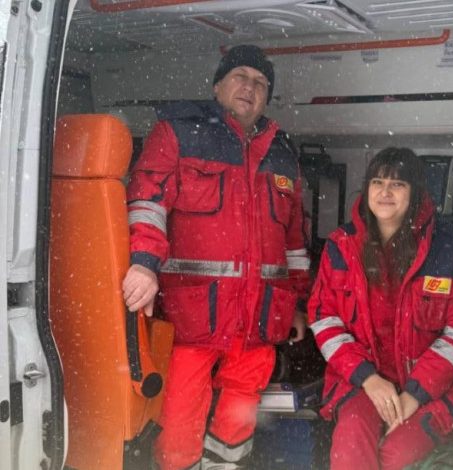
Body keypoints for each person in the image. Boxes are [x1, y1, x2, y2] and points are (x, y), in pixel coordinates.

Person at [121, 45, 310, 470]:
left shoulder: (283, 153)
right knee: (179, 420)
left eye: (261, 83)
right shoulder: (177, 134)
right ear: (217, 86)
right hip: (190, 317)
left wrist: (297, 303)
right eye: (241, 76)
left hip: (259, 320)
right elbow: (147, 202)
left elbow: (294, 242)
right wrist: (143, 264)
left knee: (237, 421)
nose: (250, 87)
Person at [308, 148, 453, 470]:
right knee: (350, 444)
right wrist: (368, 379)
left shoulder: (451, 250)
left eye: (398, 184)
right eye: (377, 182)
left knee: (396, 455)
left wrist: (414, 395)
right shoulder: (341, 246)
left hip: (434, 388)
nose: (385, 192)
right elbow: (324, 320)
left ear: (415, 193)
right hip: (364, 381)